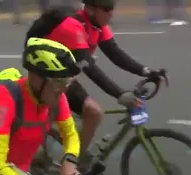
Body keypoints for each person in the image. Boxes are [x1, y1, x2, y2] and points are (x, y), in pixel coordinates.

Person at [25, 0, 168, 165]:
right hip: (44, 77)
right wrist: (119, 93)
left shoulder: (98, 26)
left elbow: (115, 54)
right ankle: (44, 154)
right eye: (107, 9)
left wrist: (147, 71)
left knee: (92, 114)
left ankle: (75, 159)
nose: (111, 13)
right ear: (91, 9)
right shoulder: (72, 26)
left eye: (112, 9)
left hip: (63, 74)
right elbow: (88, 67)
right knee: (91, 111)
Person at [0, 37, 82, 175]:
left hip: (17, 173)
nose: (62, 90)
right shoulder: (2, 101)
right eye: (58, 83)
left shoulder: (56, 97)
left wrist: (69, 160)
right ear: (36, 78)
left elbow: (70, 134)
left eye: (67, 83)